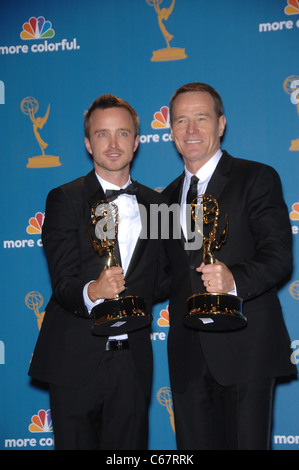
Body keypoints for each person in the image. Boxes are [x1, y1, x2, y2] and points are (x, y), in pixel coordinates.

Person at [163, 82, 297, 450]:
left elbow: (279, 256)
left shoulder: (256, 178)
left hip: (246, 347)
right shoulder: (163, 198)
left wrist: (233, 278)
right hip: (188, 355)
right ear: (171, 130)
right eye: (181, 121)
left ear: (221, 124)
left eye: (201, 119)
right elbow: (164, 277)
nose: (191, 130)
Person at [29, 94, 166, 450]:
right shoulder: (65, 198)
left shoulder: (157, 204)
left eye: (123, 133)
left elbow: (166, 278)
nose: (113, 143)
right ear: (88, 144)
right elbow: (62, 280)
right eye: (102, 134)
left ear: (137, 141)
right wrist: (94, 290)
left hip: (133, 359)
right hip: (75, 356)